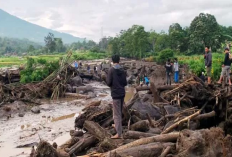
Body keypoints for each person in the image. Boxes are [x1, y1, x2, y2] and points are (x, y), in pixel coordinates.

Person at [106, 55, 127, 139]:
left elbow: (108, 82)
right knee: (119, 112)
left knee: (116, 114)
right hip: (122, 93)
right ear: (119, 60)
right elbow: (125, 83)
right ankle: (117, 125)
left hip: (115, 94)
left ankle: (118, 134)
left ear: (112, 60)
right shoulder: (122, 70)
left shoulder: (111, 70)